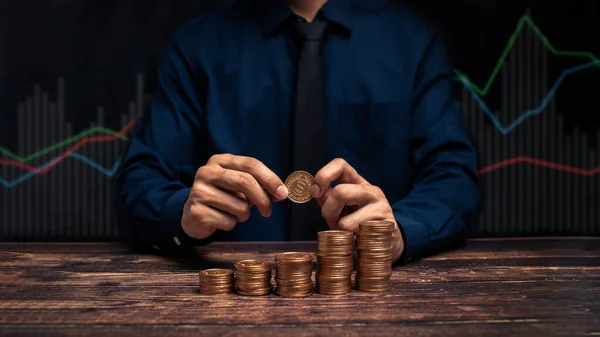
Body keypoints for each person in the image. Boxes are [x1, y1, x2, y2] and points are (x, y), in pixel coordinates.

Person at [114, 0, 480, 264]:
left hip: (374, 291)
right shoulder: (195, 46)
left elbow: (454, 177)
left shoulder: (413, 42)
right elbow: (139, 183)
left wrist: (400, 230)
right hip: (236, 299)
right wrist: (182, 213)